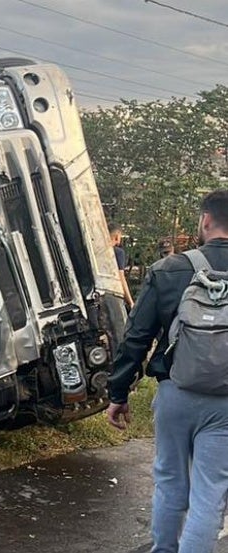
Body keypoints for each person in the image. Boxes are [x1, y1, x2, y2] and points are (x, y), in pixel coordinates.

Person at [106, 189, 228, 553]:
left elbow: (136, 337)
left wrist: (118, 393)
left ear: (205, 220)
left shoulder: (170, 269)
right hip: (226, 405)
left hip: (175, 393)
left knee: (170, 481)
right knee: (210, 493)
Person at [108, 222, 135, 310]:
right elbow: (121, 277)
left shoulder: (97, 251)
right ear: (117, 237)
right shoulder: (118, 252)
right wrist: (130, 302)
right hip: (113, 296)